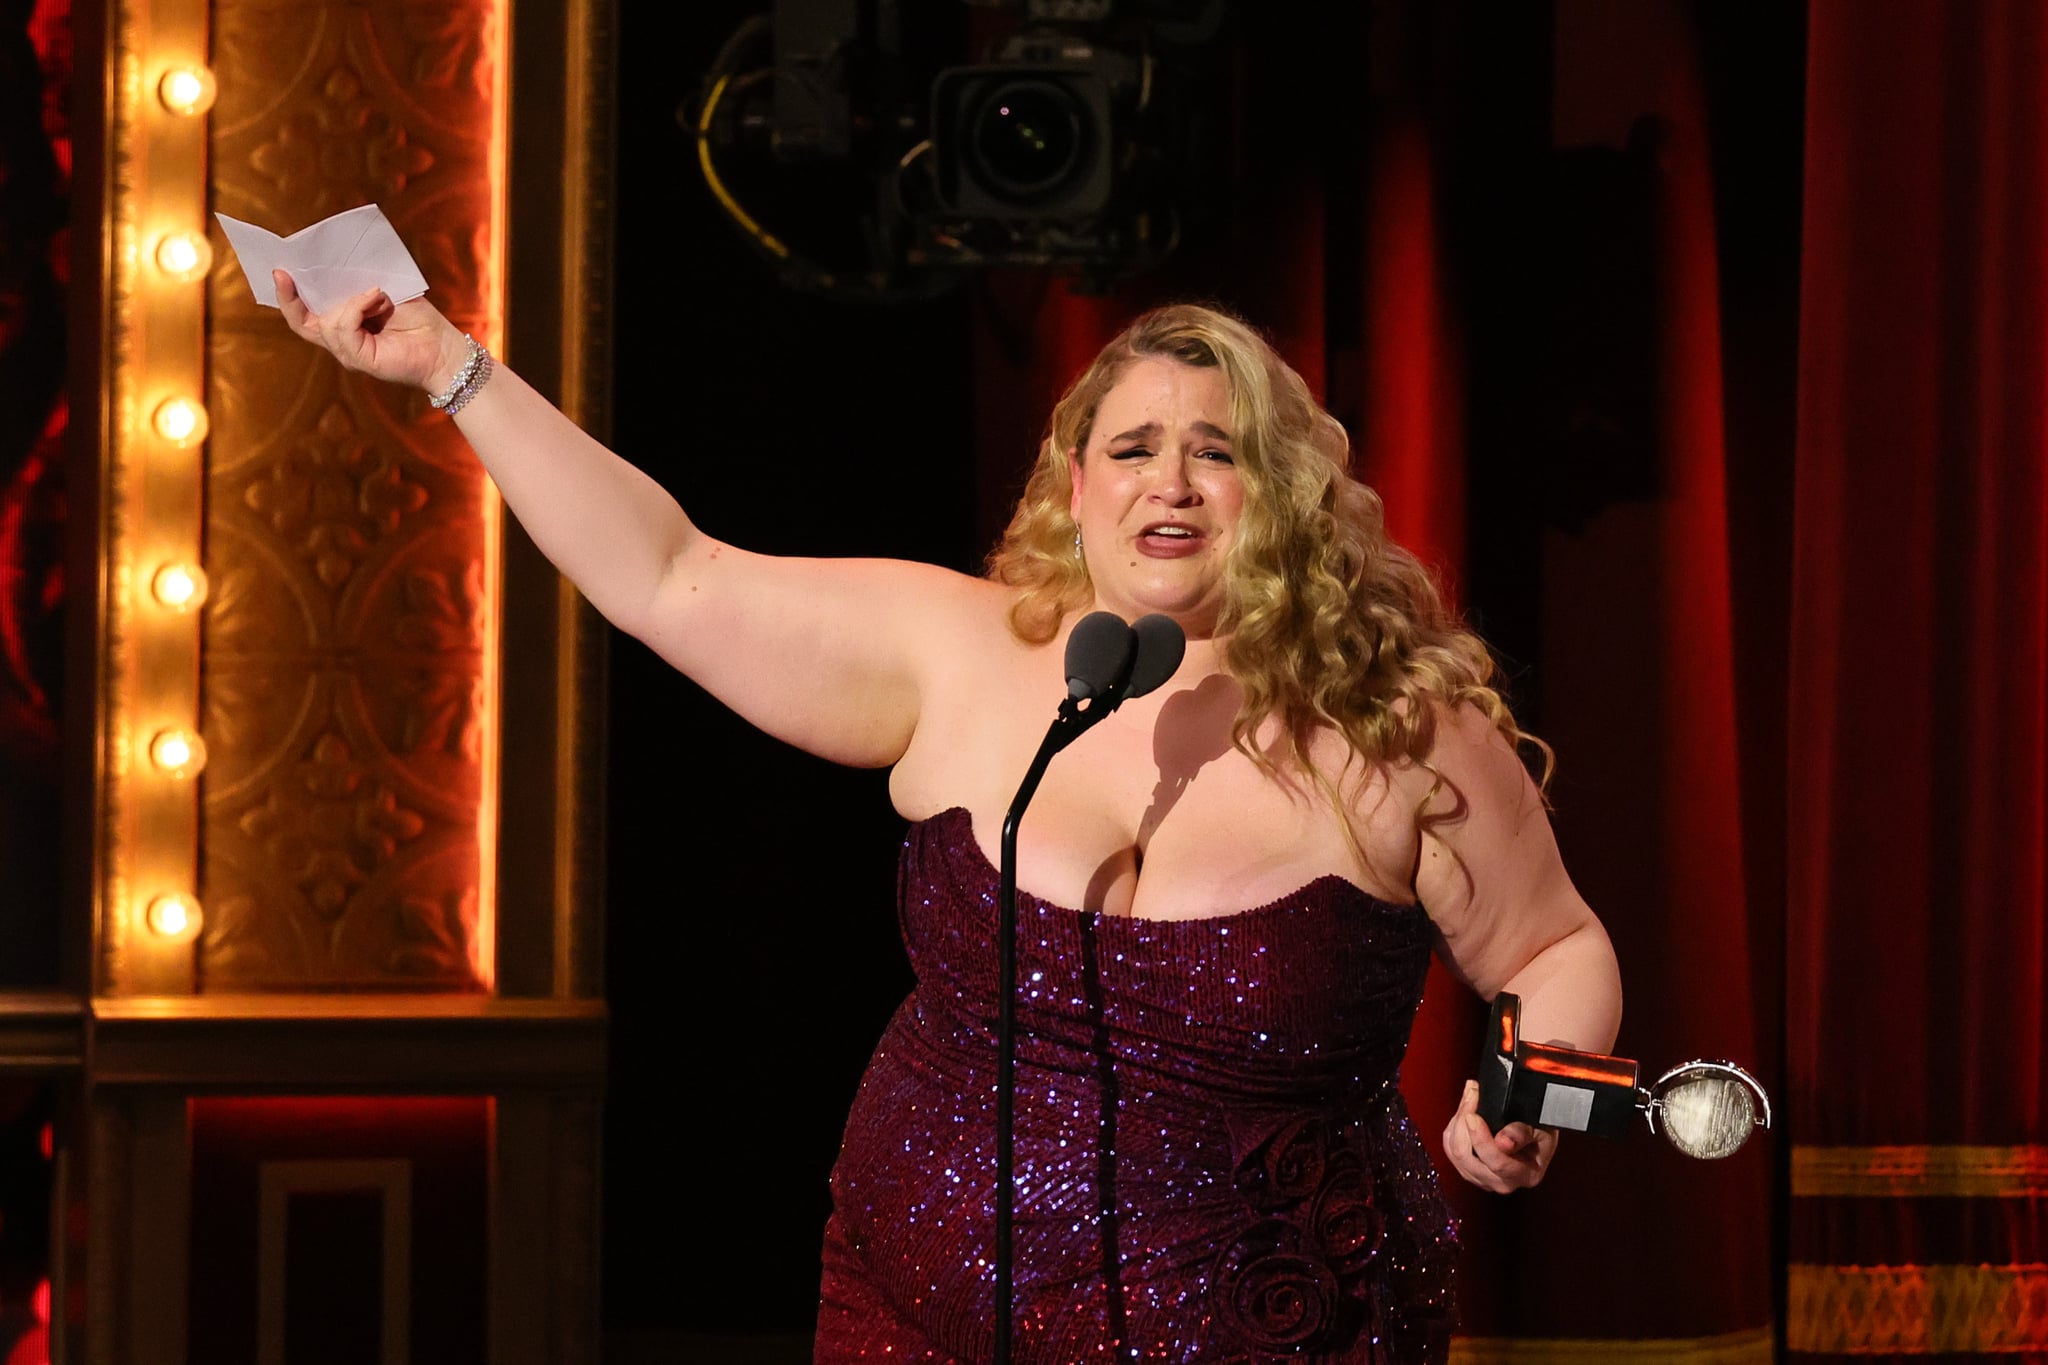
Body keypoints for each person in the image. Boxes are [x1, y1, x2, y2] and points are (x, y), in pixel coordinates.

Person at [276, 275, 1622, 1364]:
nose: (1172, 482)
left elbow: (1555, 945)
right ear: (1075, 485)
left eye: (1219, 453)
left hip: (1286, 1326)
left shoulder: (1396, 728)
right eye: (1134, 448)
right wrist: (455, 367)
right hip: (913, 1312)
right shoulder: (957, 650)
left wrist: (1538, 1094)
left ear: (1285, 495)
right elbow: (670, 575)